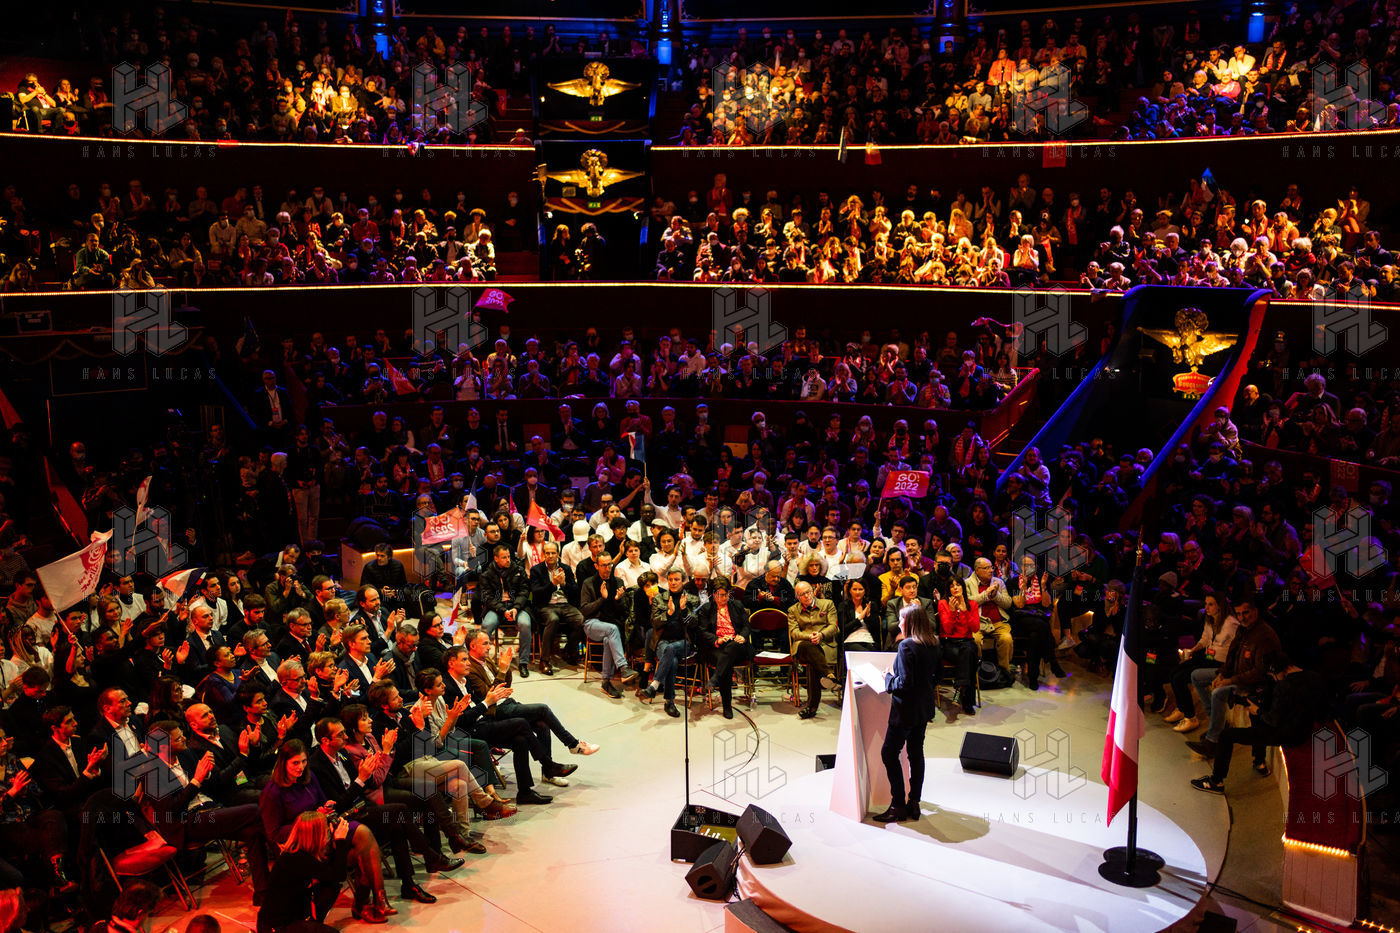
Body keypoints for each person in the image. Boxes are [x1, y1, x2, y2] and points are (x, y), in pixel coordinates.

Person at [873, 604, 940, 823]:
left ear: (910, 622)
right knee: (916, 754)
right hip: (923, 708)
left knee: (889, 753)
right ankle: (914, 802)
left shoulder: (906, 646)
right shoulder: (934, 643)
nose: (899, 624)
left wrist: (887, 678)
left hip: (905, 710)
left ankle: (897, 805)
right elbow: (935, 677)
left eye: (902, 620)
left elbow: (903, 683)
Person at [257, 811, 354, 933]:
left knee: (331, 886)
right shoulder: (298, 859)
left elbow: (332, 874)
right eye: (326, 831)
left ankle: (313, 924)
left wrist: (336, 844)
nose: (328, 834)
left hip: (291, 917)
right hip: (277, 927)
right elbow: (340, 875)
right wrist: (340, 841)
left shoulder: (298, 853)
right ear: (316, 836)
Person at [692, 578, 751, 719]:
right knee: (725, 662)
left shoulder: (737, 605)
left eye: (725, 594)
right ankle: (727, 705)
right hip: (716, 647)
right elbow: (702, 631)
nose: (723, 598)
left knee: (731, 649)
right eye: (720, 595)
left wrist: (743, 636)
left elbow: (746, 625)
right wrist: (717, 639)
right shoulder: (706, 609)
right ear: (713, 594)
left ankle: (715, 679)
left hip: (737, 645)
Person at [788, 581, 838, 719]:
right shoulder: (793, 610)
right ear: (797, 596)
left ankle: (811, 708)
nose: (806, 596)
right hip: (803, 646)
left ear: (813, 591)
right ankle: (828, 673)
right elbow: (794, 632)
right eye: (802, 594)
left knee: (812, 663)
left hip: (825, 645)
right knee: (808, 647)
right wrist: (809, 636)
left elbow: (834, 627)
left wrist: (821, 635)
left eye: (808, 592)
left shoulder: (828, 604)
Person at [935, 577, 980, 714]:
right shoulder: (943, 603)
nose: (955, 588)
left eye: (958, 585)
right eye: (952, 586)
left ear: (963, 588)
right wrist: (953, 611)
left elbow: (975, 628)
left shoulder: (972, 604)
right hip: (949, 643)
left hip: (967, 642)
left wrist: (965, 611)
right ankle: (966, 701)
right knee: (969, 656)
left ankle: (960, 687)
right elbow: (947, 629)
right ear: (948, 589)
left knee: (968, 650)